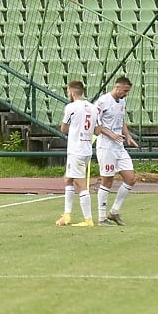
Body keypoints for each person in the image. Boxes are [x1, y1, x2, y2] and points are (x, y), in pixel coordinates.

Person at [94, 76, 139, 226]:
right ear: (117, 87)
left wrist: (127, 135)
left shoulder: (122, 102)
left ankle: (114, 212)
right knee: (107, 180)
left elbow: (121, 120)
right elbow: (96, 126)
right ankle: (101, 218)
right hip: (106, 147)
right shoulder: (102, 102)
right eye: (125, 90)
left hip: (119, 146)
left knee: (131, 178)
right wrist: (111, 134)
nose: (126, 93)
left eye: (128, 91)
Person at [55, 81, 98, 227]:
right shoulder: (93, 108)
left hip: (76, 150)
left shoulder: (71, 107)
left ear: (72, 92)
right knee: (68, 179)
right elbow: (97, 130)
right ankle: (66, 215)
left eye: (68, 92)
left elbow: (63, 128)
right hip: (85, 149)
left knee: (80, 184)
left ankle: (88, 219)